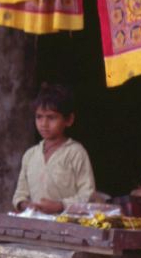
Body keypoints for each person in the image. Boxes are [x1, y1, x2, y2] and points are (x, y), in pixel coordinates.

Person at [12, 83, 95, 214]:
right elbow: (20, 195)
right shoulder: (30, 155)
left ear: (69, 120)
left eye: (51, 117)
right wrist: (25, 205)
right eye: (39, 117)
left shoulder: (75, 152)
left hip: (67, 226)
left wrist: (61, 206)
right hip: (35, 222)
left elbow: (88, 194)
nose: (44, 124)